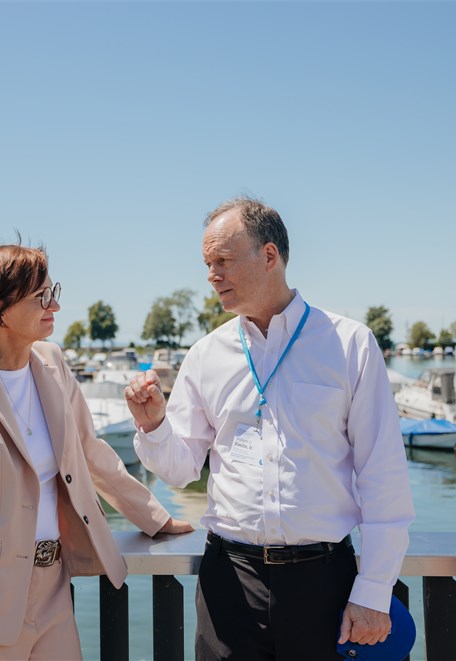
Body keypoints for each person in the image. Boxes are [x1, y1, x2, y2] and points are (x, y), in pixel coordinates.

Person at [125, 197, 415, 660]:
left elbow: (384, 478)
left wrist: (375, 590)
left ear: (269, 255)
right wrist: (154, 424)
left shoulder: (350, 344)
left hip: (325, 584)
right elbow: (180, 471)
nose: (211, 275)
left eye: (222, 260)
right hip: (228, 586)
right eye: (207, 263)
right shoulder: (204, 355)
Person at [0, 243, 192, 661]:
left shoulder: (52, 362)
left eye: (52, 290)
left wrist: (155, 517)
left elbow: (89, 453)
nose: (54, 304)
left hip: (54, 590)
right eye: (41, 296)